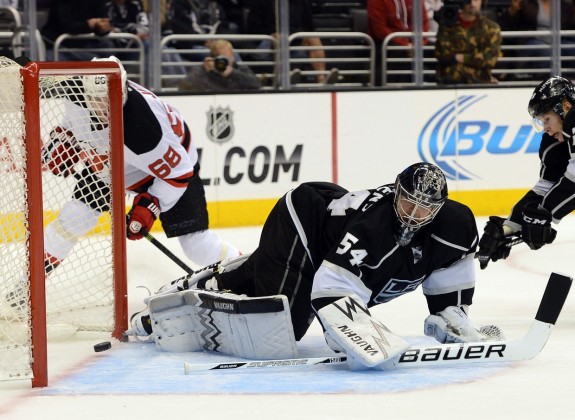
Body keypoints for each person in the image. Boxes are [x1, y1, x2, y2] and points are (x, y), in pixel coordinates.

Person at [128, 162, 503, 370]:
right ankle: (215, 281)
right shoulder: (372, 226)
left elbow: (452, 270)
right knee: (280, 327)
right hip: (303, 221)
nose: (414, 214)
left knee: (278, 305)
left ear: (439, 209)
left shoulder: (455, 224)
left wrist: (451, 314)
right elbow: (331, 288)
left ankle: (238, 271)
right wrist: (353, 332)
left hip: (327, 240)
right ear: (396, 193)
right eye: (408, 203)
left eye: (425, 208)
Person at [36, 56, 241, 281]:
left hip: (169, 169)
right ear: (86, 93)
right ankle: (32, 280)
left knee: (197, 245)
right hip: (111, 166)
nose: (107, 107)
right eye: (98, 99)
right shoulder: (75, 91)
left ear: (123, 88)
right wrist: (65, 137)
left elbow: (179, 173)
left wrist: (148, 206)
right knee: (75, 217)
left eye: (111, 97)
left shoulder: (143, 130)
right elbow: (73, 118)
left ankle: (247, 270)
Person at [476, 76, 575, 269]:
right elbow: (546, 186)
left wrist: (543, 213)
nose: (545, 128)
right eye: (541, 121)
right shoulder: (554, 143)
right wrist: (509, 226)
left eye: (547, 119)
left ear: (564, 106)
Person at [245, 0, 339, 86]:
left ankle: (321, 79)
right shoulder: (260, 2)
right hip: (266, 44)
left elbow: (308, 28)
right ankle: (282, 78)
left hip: (295, 42)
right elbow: (252, 29)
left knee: (313, 39)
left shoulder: (301, 2)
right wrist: (270, 34)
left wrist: (297, 35)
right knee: (279, 39)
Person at [434, 0, 501, 85]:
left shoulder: (491, 28)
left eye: (476, 0)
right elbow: (443, 55)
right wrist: (474, 59)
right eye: (469, 0)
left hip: (480, 82)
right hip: (449, 82)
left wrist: (460, 57)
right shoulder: (448, 25)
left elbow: (490, 59)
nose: (472, 4)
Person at [367, 0, 430, 85]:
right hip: (386, 43)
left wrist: (419, 44)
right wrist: (405, 45)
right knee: (398, 52)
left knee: (434, 49)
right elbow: (380, 29)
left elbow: (423, 22)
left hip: (413, 42)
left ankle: (438, 85)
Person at [41, 0, 116, 61]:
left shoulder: (97, 2)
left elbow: (102, 21)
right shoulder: (62, 3)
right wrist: (88, 25)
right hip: (61, 45)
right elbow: (66, 26)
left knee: (108, 46)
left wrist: (103, 27)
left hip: (87, 43)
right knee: (92, 58)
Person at [178, 39, 261, 92]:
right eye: (222, 58)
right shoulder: (202, 70)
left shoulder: (240, 68)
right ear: (213, 58)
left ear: (233, 56)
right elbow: (184, 87)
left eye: (228, 58)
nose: (225, 63)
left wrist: (232, 74)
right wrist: (206, 72)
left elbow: (257, 84)